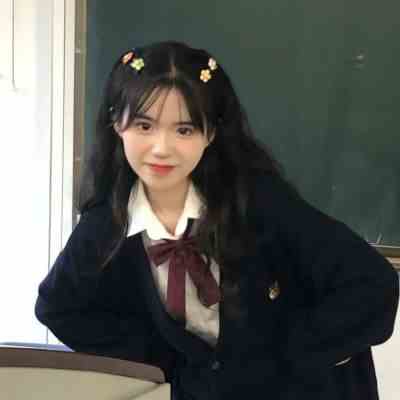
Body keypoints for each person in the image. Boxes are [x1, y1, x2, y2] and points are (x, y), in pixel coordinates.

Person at [35, 41, 399, 400]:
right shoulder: (107, 223)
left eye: (184, 130)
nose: (161, 148)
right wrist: (165, 365)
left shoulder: (255, 200)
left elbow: (373, 285)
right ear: (117, 123)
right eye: (144, 126)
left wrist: (280, 358)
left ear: (210, 134)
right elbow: (59, 307)